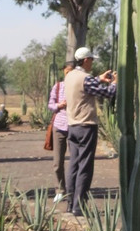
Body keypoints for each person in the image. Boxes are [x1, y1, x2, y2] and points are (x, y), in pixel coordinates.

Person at [63, 46, 117, 217]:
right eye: (91, 59)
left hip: (72, 126)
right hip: (86, 126)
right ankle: (79, 206)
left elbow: (85, 87)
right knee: (85, 167)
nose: (92, 62)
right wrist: (115, 83)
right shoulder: (85, 79)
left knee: (73, 165)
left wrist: (98, 78)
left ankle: (70, 203)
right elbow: (107, 93)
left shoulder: (70, 76)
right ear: (85, 60)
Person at [47, 61, 72, 203]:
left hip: (75, 125)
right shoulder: (57, 87)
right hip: (59, 126)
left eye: (70, 71)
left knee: (75, 161)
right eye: (66, 71)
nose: (68, 74)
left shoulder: (78, 85)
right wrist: (58, 105)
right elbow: (50, 105)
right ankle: (60, 190)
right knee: (58, 162)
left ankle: (73, 189)